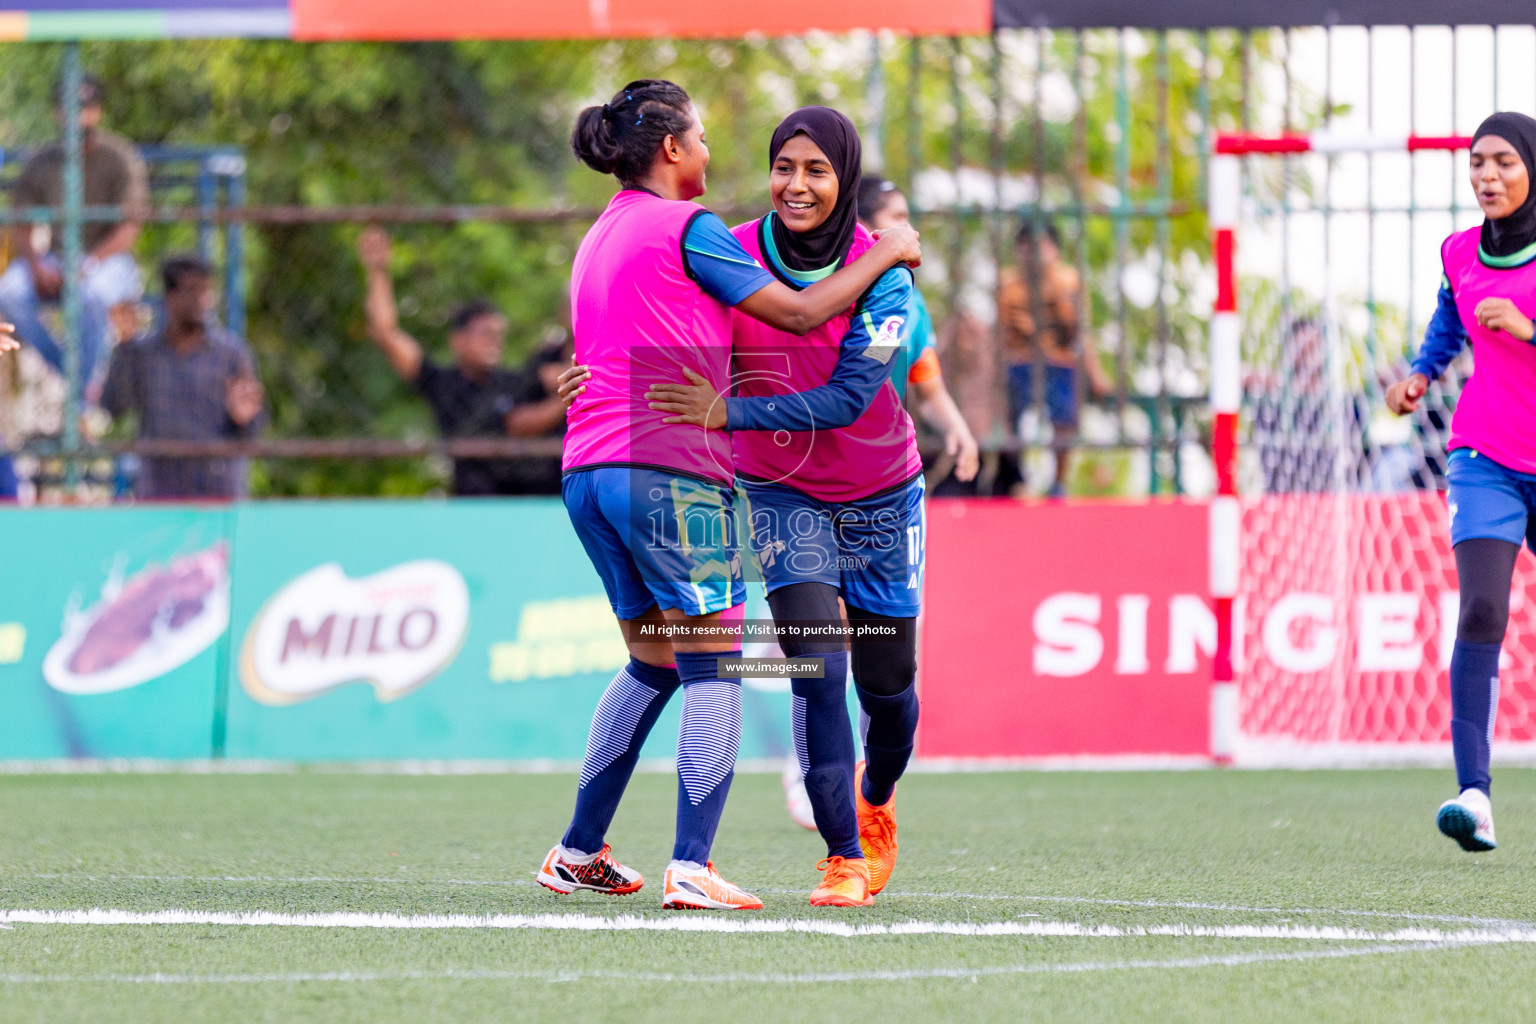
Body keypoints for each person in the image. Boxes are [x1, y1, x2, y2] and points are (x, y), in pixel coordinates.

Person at [538, 81, 921, 911]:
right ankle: (693, 865)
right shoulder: (696, 228)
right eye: (705, 138)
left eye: (812, 168)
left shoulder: (600, 233)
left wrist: (591, 380)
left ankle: (576, 850)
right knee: (718, 668)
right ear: (672, 149)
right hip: (673, 471)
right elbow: (796, 312)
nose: (717, 155)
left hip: (590, 468)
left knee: (652, 660)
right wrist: (888, 248)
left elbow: (619, 333)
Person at [1384, 111, 1536, 854]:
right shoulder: (1457, 251)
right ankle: (1474, 797)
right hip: (1487, 455)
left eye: (1504, 162)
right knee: (1480, 607)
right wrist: (1421, 372)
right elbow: (1450, 321)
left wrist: (1532, 330)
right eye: (1477, 162)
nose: (1487, 176)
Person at [357, 227, 566, 496]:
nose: (494, 341)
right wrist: (377, 272)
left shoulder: (514, 381)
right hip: (472, 498)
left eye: (498, 335)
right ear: (458, 339)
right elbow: (387, 335)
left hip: (528, 496)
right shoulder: (440, 382)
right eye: (484, 334)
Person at [0, 74, 148, 393]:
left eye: (85, 106)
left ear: (98, 111)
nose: (77, 114)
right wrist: (38, 265)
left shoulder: (118, 156)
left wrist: (88, 263)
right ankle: (73, 378)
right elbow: (20, 220)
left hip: (107, 261)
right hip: (56, 258)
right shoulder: (42, 158)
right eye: (69, 106)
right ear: (57, 112)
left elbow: (129, 226)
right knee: (9, 290)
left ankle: (82, 394)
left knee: (92, 293)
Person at [99, 255, 263, 499]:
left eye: (207, 291)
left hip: (218, 490)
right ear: (169, 298)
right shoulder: (144, 354)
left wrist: (245, 417)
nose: (202, 300)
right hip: (160, 490)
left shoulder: (231, 354)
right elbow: (114, 406)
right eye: (192, 290)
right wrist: (124, 347)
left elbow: (253, 429)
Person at [857, 175, 979, 486]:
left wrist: (958, 429)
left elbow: (929, 389)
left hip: (884, 471)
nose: (911, 230)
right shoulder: (828, 292)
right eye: (898, 218)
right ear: (862, 224)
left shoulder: (912, 301)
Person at [996, 221, 1112, 497]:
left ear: (1054, 250)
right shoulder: (1008, 284)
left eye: (1040, 246)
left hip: (1058, 362)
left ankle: (1058, 482)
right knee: (1008, 416)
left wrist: (1096, 374)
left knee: (1065, 418)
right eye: (1025, 246)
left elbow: (1080, 332)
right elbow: (1001, 334)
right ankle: (1016, 477)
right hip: (1019, 363)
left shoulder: (1068, 280)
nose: (1032, 253)